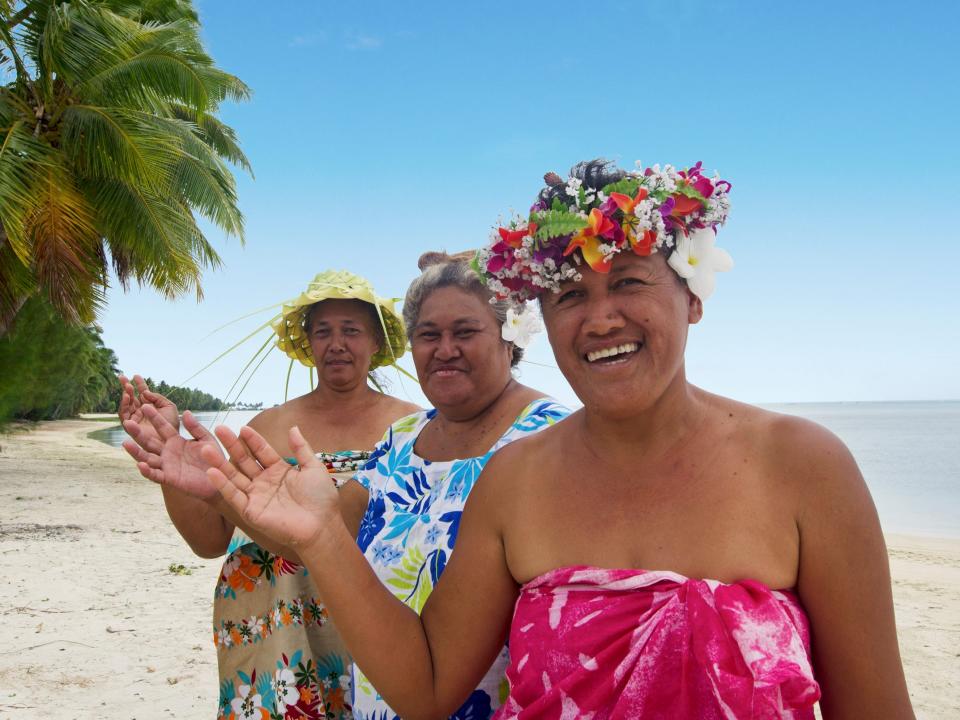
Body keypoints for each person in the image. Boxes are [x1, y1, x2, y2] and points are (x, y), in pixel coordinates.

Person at [206, 160, 915, 719]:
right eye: (570, 295)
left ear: (692, 294)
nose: (601, 319)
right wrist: (322, 538)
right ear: (541, 319)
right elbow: (424, 689)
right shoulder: (516, 480)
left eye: (630, 282)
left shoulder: (802, 468)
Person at [126, 254, 570, 719]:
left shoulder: (550, 438)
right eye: (428, 334)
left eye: (465, 331)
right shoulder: (403, 439)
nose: (444, 349)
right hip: (376, 699)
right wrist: (217, 491)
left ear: (509, 336)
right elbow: (326, 539)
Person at [119, 269, 419, 720]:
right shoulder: (268, 427)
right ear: (309, 344)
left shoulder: (413, 426)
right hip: (275, 628)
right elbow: (209, 541)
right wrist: (170, 461)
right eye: (323, 331)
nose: (336, 343)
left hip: (375, 616)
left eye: (352, 331)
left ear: (376, 342)